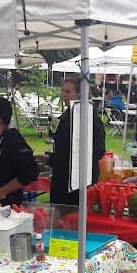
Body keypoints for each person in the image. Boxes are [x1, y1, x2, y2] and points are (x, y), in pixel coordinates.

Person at [49, 77, 105, 205]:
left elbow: (98, 149)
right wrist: (51, 159)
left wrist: (73, 163)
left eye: (68, 92)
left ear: (80, 95)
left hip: (79, 179)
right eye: (63, 91)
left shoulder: (89, 118)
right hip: (62, 177)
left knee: (74, 215)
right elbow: (64, 148)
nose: (64, 95)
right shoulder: (67, 117)